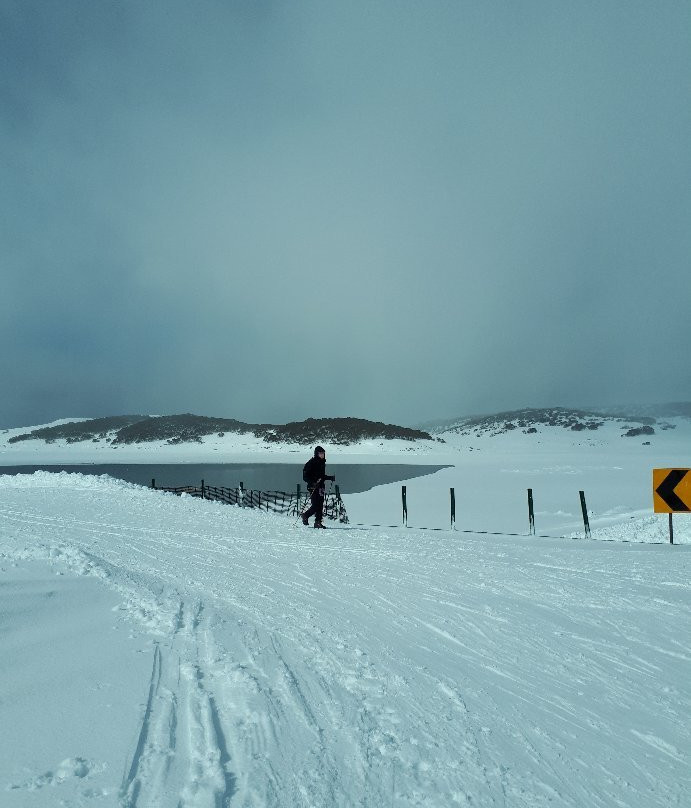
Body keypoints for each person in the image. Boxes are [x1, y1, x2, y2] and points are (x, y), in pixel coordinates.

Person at [301, 445, 335, 528]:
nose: (322, 455)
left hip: (321, 487)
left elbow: (321, 476)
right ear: (316, 454)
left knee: (320, 505)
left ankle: (318, 522)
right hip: (313, 487)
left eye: (323, 453)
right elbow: (305, 476)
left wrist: (329, 478)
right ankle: (305, 515)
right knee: (316, 505)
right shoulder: (311, 463)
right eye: (320, 453)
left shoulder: (322, 463)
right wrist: (313, 483)